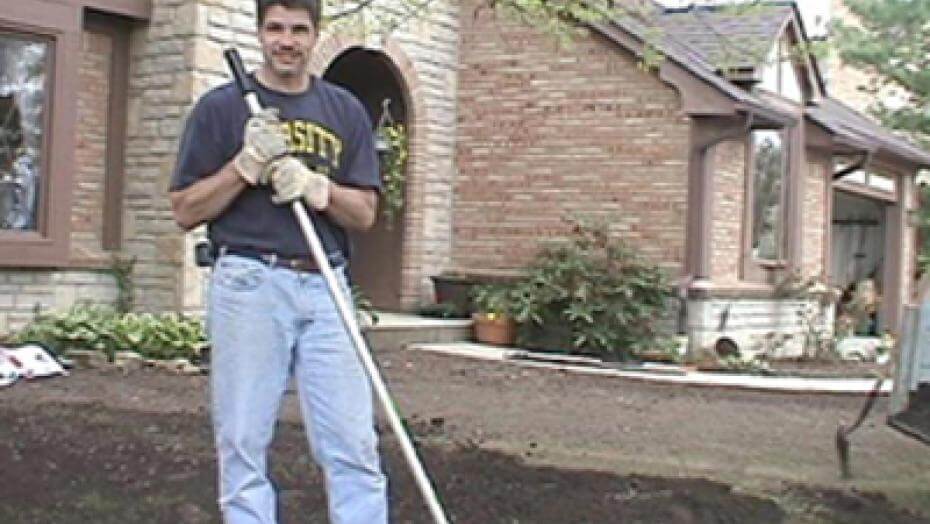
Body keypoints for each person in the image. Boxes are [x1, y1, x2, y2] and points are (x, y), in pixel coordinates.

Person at [168, 0, 388, 522]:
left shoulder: (344, 111)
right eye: (275, 28)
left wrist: (317, 187)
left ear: (316, 34)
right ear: (260, 32)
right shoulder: (222, 110)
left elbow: (364, 213)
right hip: (249, 281)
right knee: (243, 436)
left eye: (297, 29)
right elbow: (184, 209)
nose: (285, 40)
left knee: (353, 441)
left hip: (326, 284)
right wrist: (245, 167)